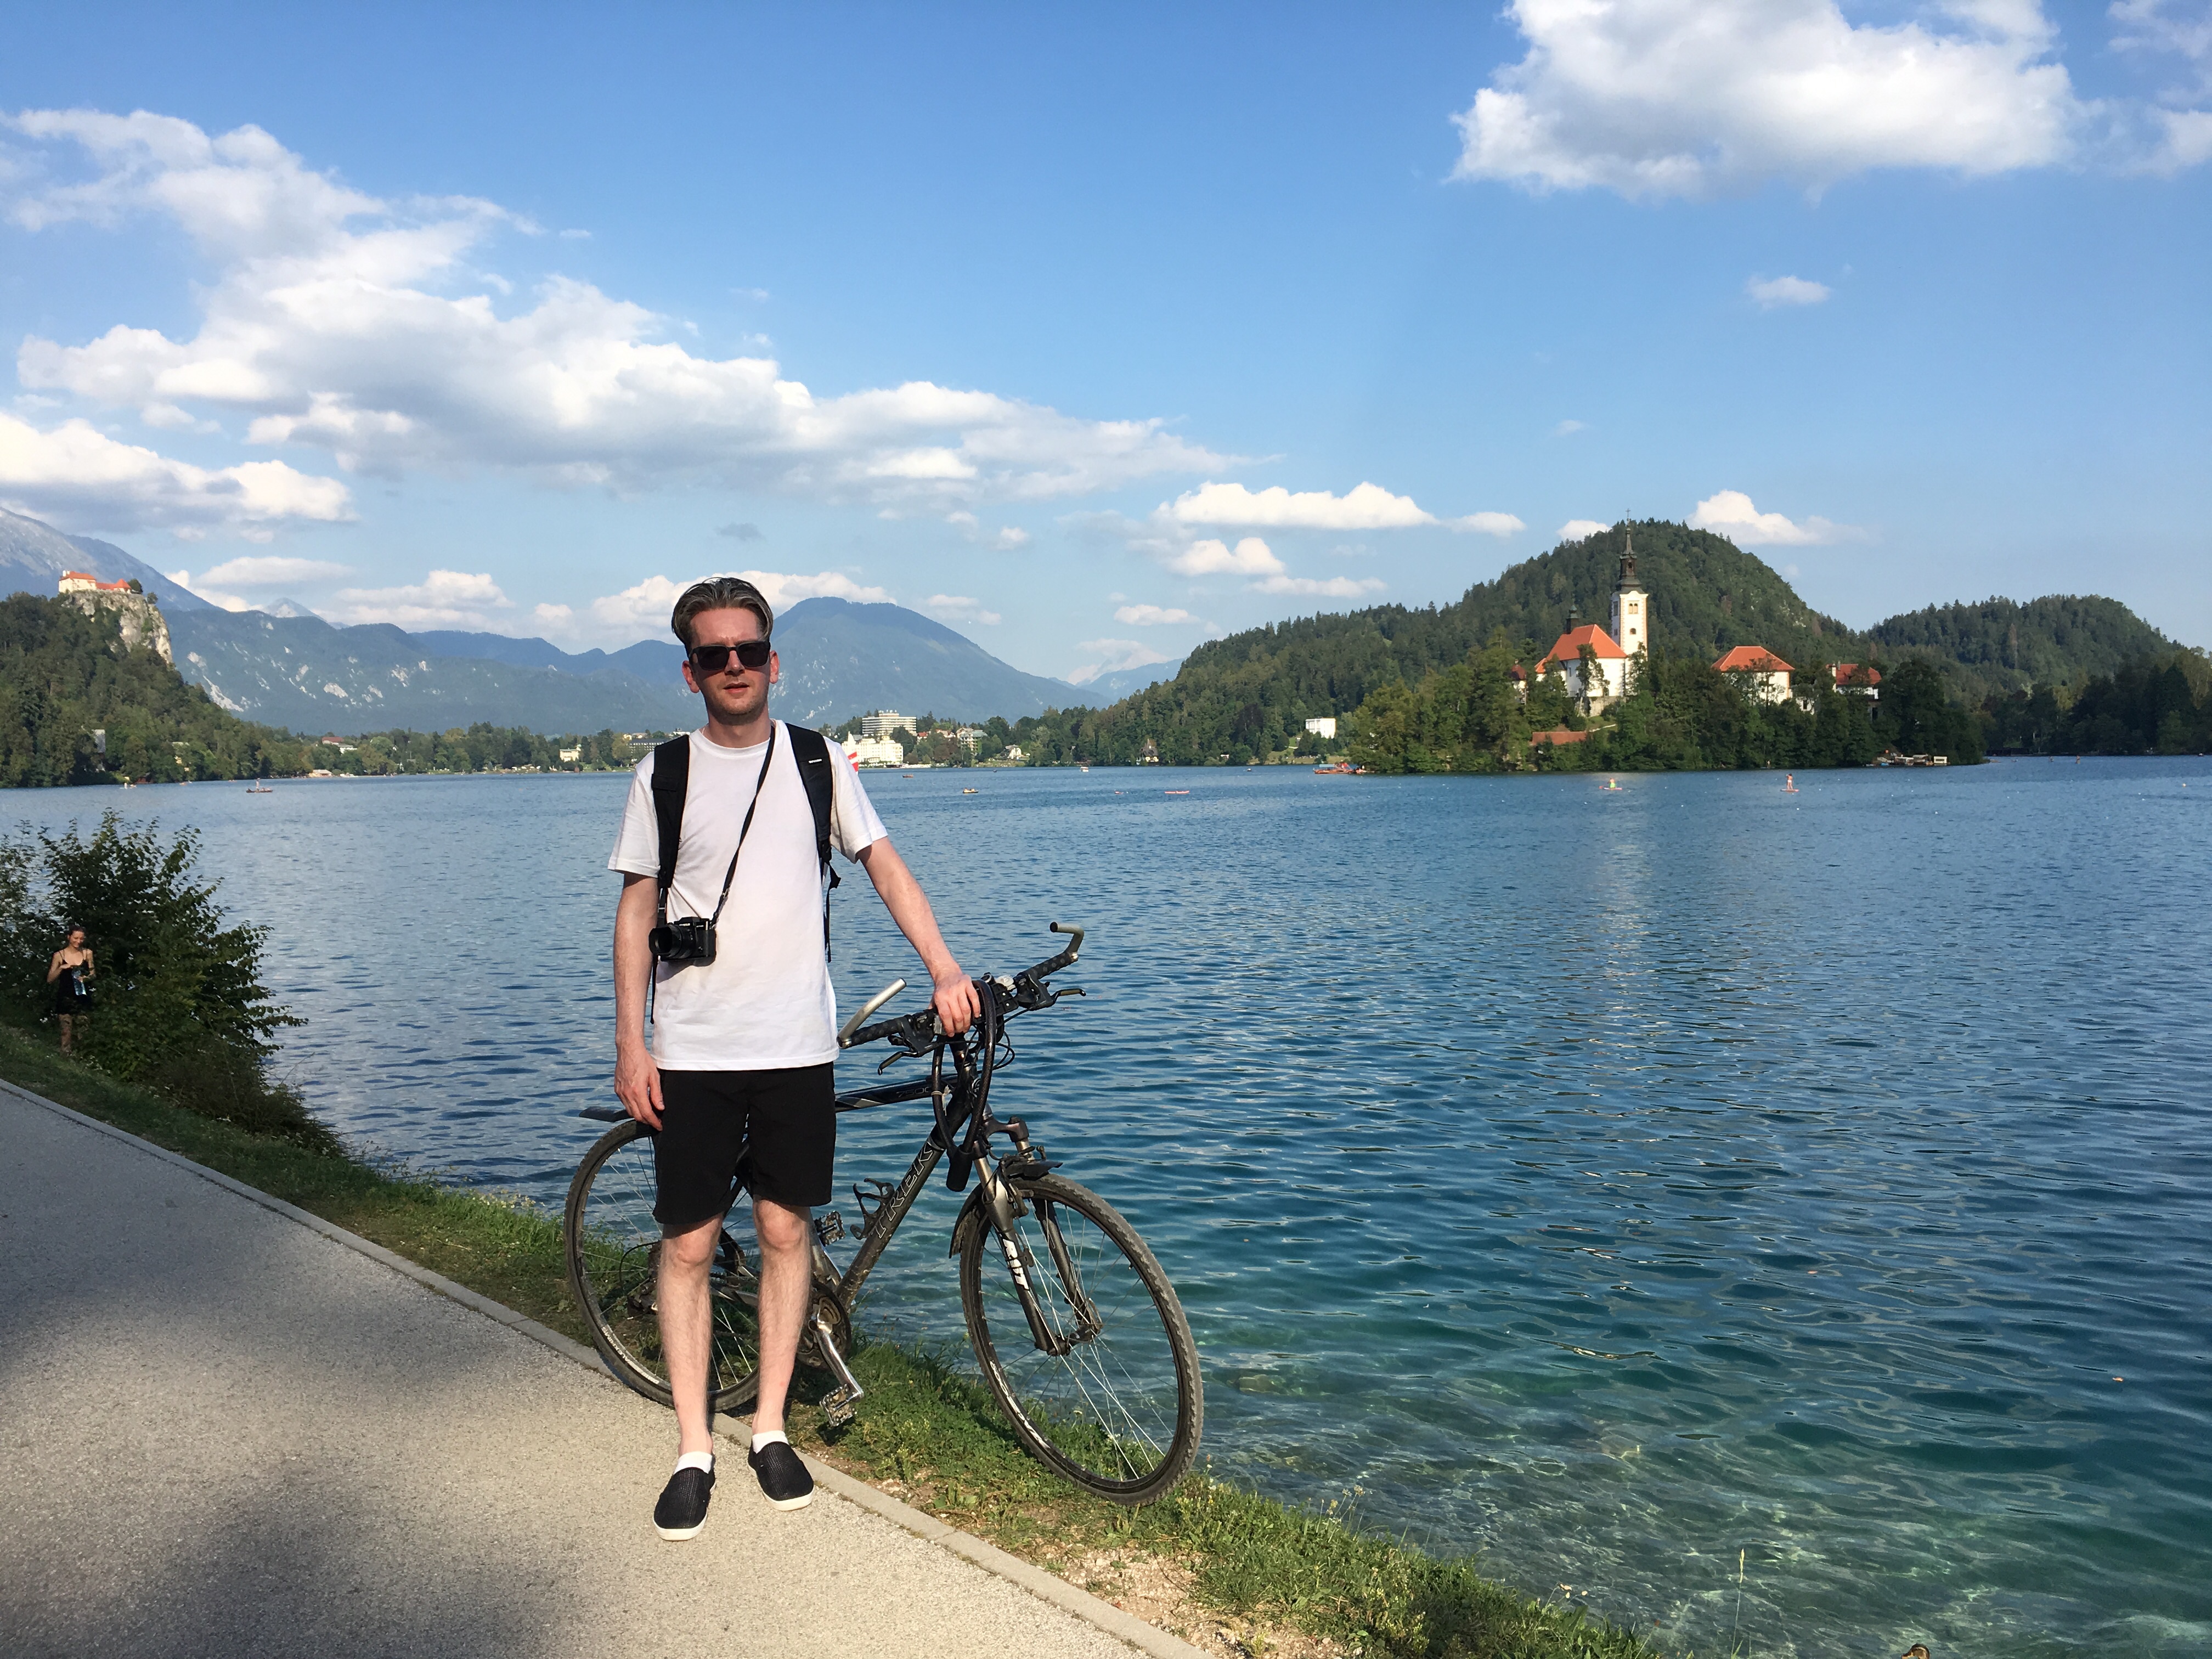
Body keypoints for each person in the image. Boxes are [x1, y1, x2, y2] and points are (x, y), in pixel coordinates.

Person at [606, 575, 980, 1542]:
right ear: (690, 671)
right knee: (688, 1246)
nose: (732, 666)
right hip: (691, 1050)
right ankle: (694, 1446)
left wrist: (944, 965)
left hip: (796, 1047)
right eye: (713, 654)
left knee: (785, 1234)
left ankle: (769, 1426)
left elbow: (883, 864)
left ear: (773, 662)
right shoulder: (663, 773)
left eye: (747, 650)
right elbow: (637, 909)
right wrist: (630, 1041)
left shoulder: (818, 761)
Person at [46, 927, 94, 1053]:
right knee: (66, 1030)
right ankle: (65, 1055)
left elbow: (93, 974)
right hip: (65, 996)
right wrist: (62, 968)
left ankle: (82, 1056)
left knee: (83, 1029)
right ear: (69, 937)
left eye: (81, 939)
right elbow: (50, 979)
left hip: (82, 996)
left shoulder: (88, 954)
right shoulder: (59, 955)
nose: (79, 941)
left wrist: (86, 978)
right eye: (76, 938)